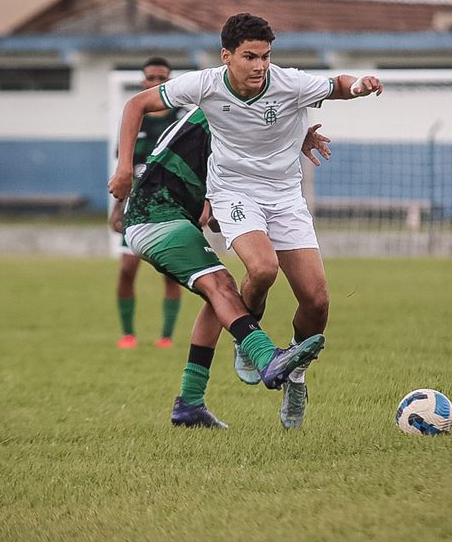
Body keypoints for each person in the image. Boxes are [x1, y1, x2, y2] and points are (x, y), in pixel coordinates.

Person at [109, 13, 383, 429]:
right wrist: (125, 171)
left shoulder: (286, 84)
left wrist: (350, 92)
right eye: (250, 57)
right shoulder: (204, 93)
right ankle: (255, 348)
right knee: (252, 272)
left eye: (265, 57)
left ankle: (279, 377)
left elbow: (332, 87)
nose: (259, 66)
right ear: (227, 57)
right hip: (195, 205)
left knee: (314, 300)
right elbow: (146, 114)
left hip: (283, 199)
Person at [108, 103, 331, 428]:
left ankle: (190, 403)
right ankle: (266, 356)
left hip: (167, 216)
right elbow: (137, 105)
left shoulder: (236, 121)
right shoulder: (226, 113)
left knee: (219, 299)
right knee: (222, 286)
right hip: (155, 216)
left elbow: (212, 215)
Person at [110, 57, 184, 350]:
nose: (156, 84)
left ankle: (166, 336)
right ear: (143, 82)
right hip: (136, 209)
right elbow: (124, 170)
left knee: (170, 272)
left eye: (162, 79)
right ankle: (128, 334)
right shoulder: (134, 120)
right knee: (127, 269)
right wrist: (117, 209)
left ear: (170, 82)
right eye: (151, 78)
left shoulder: (181, 120)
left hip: (171, 207)